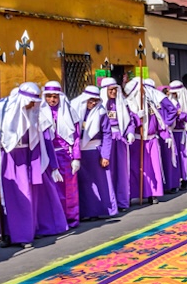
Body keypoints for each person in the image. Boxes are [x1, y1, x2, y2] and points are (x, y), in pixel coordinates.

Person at [0, 82, 67, 245]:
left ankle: (26, 232)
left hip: (31, 159)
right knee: (11, 199)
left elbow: (46, 140)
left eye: (36, 103)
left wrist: (54, 166)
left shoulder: (37, 115)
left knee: (29, 198)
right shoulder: (3, 113)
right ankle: (11, 233)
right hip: (11, 159)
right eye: (30, 102)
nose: (33, 105)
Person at [72, 85, 116, 220]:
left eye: (95, 101)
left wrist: (105, 155)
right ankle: (83, 213)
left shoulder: (101, 112)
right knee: (83, 184)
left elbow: (107, 134)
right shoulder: (74, 109)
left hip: (95, 152)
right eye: (90, 100)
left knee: (99, 183)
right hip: (78, 152)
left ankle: (99, 210)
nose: (92, 104)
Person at [42, 81, 81, 227]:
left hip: (66, 155)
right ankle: (55, 221)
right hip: (48, 157)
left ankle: (71, 219)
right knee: (52, 191)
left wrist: (76, 157)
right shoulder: (39, 113)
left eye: (55, 97)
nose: (52, 100)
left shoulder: (69, 112)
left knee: (69, 191)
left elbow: (76, 136)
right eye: (49, 96)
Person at [125, 77, 165, 203]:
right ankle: (136, 193)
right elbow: (128, 123)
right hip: (137, 140)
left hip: (151, 139)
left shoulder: (149, 102)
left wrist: (165, 134)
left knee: (153, 167)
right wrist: (137, 117)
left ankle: (153, 193)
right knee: (136, 168)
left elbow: (157, 119)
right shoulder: (128, 105)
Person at [99, 78, 135, 211]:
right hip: (105, 140)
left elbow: (130, 120)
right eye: (110, 90)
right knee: (108, 171)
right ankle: (109, 203)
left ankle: (122, 201)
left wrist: (130, 132)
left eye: (115, 89)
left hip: (120, 139)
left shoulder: (122, 103)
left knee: (122, 172)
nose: (113, 92)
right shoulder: (100, 105)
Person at [164, 80, 187, 188]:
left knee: (184, 156)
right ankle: (175, 179)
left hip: (183, 133)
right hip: (172, 133)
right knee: (174, 157)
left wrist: (181, 114)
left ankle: (185, 178)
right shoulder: (170, 102)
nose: (174, 95)